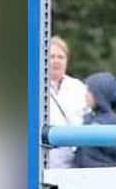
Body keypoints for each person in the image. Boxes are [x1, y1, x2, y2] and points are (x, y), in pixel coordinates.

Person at [47, 36, 87, 169]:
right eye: (52, 56)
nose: (56, 61)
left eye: (60, 57)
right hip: (45, 161)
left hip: (73, 163)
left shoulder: (78, 87)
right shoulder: (33, 86)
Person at [74, 72, 116, 167]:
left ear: (99, 95)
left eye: (89, 91)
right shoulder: (89, 117)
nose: (86, 95)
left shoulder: (112, 121)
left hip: (101, 176)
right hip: (83, 176)